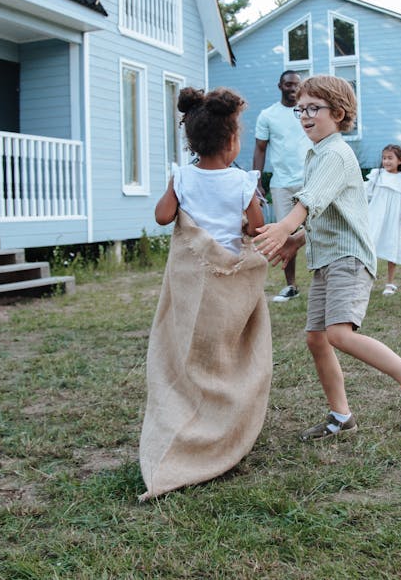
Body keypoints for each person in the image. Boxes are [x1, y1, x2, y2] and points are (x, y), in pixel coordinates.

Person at [253, 75, 401, 440]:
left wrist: (283, 227)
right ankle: (340, 417)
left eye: (314, 109)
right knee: (316, 338)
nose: (305, 116)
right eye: (300, 110)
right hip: (327, 259)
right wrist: (296, 240)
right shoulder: (317, 153)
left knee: (339, 334)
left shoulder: (337, 154)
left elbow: (309, 201)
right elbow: (327, 212)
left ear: (338, 113)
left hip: (349, 259)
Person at [140, 87, 271, 500]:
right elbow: (254, 226)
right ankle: (221, 424)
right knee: (225, 356)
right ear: (232, 142)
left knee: (189, 353)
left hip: (192, 282)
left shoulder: (182, 176)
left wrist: (177, 188)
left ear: (192, 141)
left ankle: (187, 418)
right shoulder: (240, 182)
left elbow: (162, 217)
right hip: (228, 285)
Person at [253, 70, 310, 302]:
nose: (292, 88)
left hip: (309, 181)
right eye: (288, 84)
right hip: (281, 184)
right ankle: (291, 286)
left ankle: (324, 280)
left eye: (296, 84)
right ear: (280, 86)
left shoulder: (308, 112)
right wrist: (256, 181)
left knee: (319, 229)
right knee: (284, 234)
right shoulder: (268, 115)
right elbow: (260, 149)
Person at [365, 144, 401, 296]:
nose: (386, 161)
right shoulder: (377, 175)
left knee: (392, 247)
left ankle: (390, 283)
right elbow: (366, 193)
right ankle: (368, 280)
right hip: (376, 217)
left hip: (394, 219)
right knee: (370, 247)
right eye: (384, 158)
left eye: (390, 158)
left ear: (400, 161)